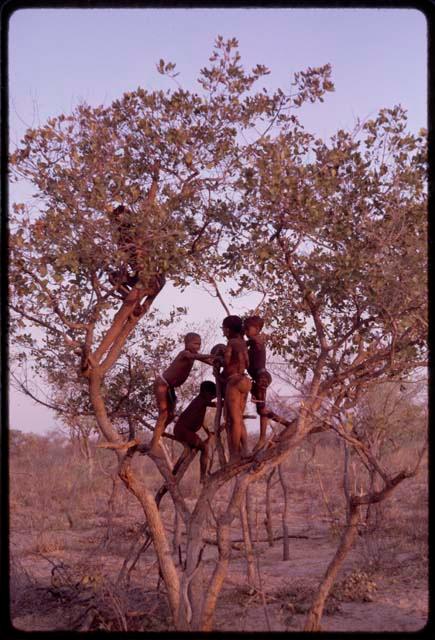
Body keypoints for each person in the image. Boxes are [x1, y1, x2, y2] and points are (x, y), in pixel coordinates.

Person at [150, 333, 215, 454]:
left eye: (199, 344)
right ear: (186, 343)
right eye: (195, 344)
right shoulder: (185, 354)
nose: (198, 346)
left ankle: (159, 435)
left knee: (171, 415)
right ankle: (153, 443)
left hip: (169, 388)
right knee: (164, 413)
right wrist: (213, 355)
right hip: (162, 385)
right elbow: (195, 357)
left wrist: (216, 361)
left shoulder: (194, 355)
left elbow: (207, 360)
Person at [173, 380, 217, 482]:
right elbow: (217, 405)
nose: (213, 397)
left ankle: (174, 472)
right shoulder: (202, 400)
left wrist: (208, 433)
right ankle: (202, 477)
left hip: (184, 430)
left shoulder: (201, 401)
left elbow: (201, 421)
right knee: (204, 448)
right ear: (206, 393)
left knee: (187, 451)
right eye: (212, 395)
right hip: (183, 430)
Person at [221, 315, 252, 462]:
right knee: (239, 418)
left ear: (227, 329)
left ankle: (234, 455)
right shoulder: (243, 343)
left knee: (233, 420)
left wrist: (218, 360)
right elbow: (247, 362)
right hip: (245, 381)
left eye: (223, 329)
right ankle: (245, 449)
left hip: (233, 382)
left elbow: (226, 362)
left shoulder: (231, 342)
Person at [243, 315, 272, 451]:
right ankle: (280, 421)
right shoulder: (252, 342)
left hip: (262, 377)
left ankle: (262, 439)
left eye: (248, 329)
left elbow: (246, 343)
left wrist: (236, 342)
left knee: (262, 409)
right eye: (244, 329)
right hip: (257, 378)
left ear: (257, 329)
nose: (246, 332)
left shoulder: (257, 339)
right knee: (260, 409)